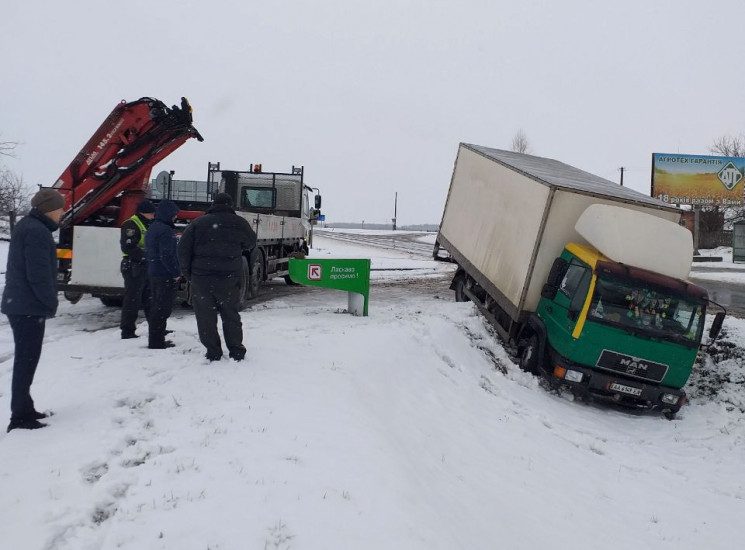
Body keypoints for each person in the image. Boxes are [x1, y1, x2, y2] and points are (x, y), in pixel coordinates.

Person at [1, 188, 65, 432]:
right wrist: (49, 302)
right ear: (50, 209)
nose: (62, 213)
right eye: (60, 208)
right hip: (27, 306)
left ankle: (25, 408)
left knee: (27, 360)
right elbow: (38, 274)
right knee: (26, 361)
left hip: (21, 303)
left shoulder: (30, 226)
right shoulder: (37, 232)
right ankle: (19, 417)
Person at [178, 192, 256, 361]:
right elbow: (251, 243)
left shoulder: (198, 223)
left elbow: (183, 249)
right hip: (229, 278)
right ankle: (236, 350)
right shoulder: (239, 223)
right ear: (230, 205)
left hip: (201, 278)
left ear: (213, 204)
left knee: (205, 317)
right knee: (231, 315)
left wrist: (189, 274)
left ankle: (213, 351)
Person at [145, 200, 180, 349]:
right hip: (164, 274)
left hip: (154, 272)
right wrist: (175, 273)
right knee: (162, 308)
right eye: (174, 214)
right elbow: (166, 255)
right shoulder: (165, 231)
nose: (175, 217)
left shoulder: (153, 227)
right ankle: (157, 342)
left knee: (157, 307)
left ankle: (156, 339)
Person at [120, 200, 155, 339]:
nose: (153, 215)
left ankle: (156, 328)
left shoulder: (147, 223)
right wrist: (146, 256)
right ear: (143, 213)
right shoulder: (131, 224)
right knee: (132, 299)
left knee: (150, 299)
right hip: (133, 266)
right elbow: (128, 247)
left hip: (144, 265)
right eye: (151, 213)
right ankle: (127, 331)